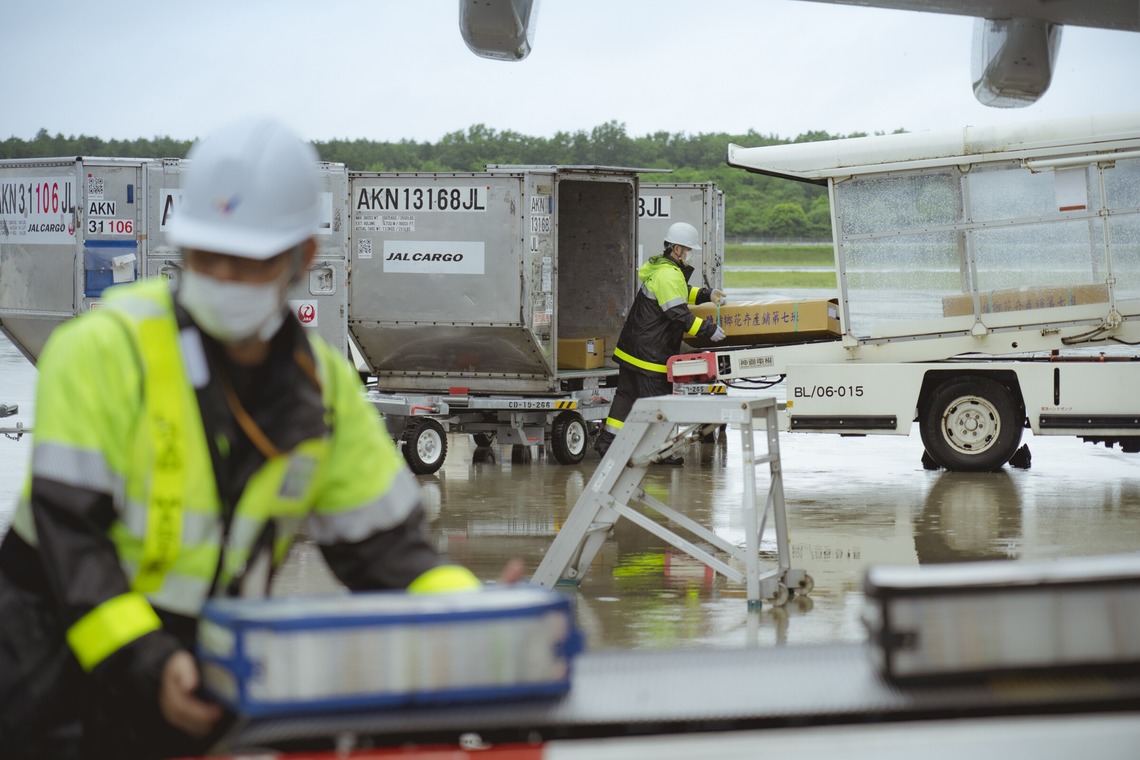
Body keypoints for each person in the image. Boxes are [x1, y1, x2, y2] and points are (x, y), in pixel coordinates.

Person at [0, 117, 504, 760]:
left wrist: (479, 619)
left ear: (304, 259)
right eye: (208, 257)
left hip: (198, 674)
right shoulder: (102, 349)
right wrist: (148, 660)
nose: (226, 277)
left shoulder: (320, 392)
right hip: (51, 671)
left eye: (249, 260)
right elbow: (71, 542)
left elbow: (391, 556)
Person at [593, 221, 727, 464]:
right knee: (659, 404)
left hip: (634, 349)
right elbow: (677, 313)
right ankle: (657, 453)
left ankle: (607, 442)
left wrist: (707, 294)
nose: (689, 255)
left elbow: (680, 292)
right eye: (688, 250)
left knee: (625, 398)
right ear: (676, 249)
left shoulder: (663, 270)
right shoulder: (667, 274)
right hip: (650, 353)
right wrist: (709, 330)